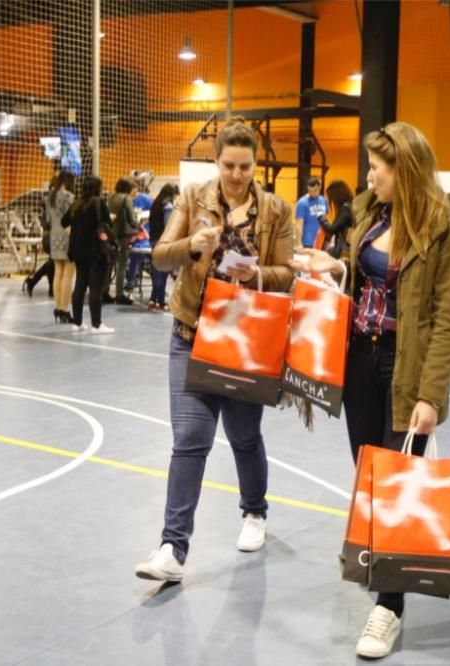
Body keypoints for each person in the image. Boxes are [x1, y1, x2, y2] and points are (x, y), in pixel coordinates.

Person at [290, 121, 450, 660]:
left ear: (405, 171)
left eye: (377, 168)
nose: (369, 176)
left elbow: (446, 319)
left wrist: (430, 397)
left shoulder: (443, 230)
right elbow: (369, 282)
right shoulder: (371, 212)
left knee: (396, 488)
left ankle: (390, 606)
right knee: (369, 478)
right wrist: (335, 265)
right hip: (359, 360)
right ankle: (386, 575)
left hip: (404, 368)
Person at [135, 118, 294, 586]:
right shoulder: (193, 198)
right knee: (190, 441)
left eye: (246, 166)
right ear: (216, 161)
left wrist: (258, 276)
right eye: (229, 164)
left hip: (246, 342)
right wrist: (191, 245)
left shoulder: (276, 210)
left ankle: (255, 512)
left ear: (256, 164)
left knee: (245, 437)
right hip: (192, 336)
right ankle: (172, 547)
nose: (237, 174)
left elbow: (289, 272)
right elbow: (160, 254)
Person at [62, 176, 116, 334]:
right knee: (95, 289)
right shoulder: (99, 203)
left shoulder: (75, 205)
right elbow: (108, 224)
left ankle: (77, 322)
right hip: (96, 251)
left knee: (79, 286)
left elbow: (64, 222)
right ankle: (96, 325)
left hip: (78, 251)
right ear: (97, 188)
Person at [46, 170, 76, 323]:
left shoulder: (50, 197)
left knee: (58, 272)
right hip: (68, 235)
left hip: (54, 234)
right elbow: (74, 218)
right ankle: (64, 309)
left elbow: (47, 219)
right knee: (68, 274)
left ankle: (57, 307)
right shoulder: (70, 197)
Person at [107, 176, 139, 305]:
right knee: (122, 264)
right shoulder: (126, 199)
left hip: (111, 233)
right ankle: (119, 293)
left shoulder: (111, 197)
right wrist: (139, 223)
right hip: (122, 235)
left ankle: (105, 291)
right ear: (128, 189)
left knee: (110, 264)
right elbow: (132, 219)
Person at [146, 183, 178, 310]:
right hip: (163, 241)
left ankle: (152, 300)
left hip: (153, 240)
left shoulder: (155, 204)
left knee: (156, 271)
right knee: (162, 273)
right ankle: (161, 301)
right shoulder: (168, 206)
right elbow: (168, 226)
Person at [317, 179, 354, 259]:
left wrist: (321, 218)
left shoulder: (345, 209)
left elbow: (332, 229)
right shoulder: (351, 206)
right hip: (347, 247)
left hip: (343, 249)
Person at [295, 177, 328, 248]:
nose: (313, 193)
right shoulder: (302, 203)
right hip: (308, 243)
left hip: (321, 241)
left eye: (315, 190)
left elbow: (326, 220)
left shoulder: (324, 201)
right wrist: (299, 243)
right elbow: (299, 224)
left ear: (319, 187)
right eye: (310, 191)